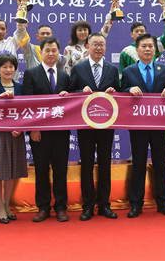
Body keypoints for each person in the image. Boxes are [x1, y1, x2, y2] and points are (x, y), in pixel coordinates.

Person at [121, 33, 165, 218]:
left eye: (150, 46)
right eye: (143, 46)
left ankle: (163, 202)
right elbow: (121, 93)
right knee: (138, 164)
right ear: (137, 50)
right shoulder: (128, 71)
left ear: (155, 49)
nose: (147, 49)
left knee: (160, 164)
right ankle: (136, 204)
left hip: (160, 125)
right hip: (138, 127)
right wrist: (129, 89)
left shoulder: (163, 69)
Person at [68, 32, 120, 221]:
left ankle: (104, 205)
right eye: (95, 44)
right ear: (88, 47)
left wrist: (115, 91)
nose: (98, 48)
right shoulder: (78, 68)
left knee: (105, 164)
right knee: (87, 165)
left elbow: (120, 95)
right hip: (85, 125)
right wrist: (80, 91)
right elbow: (71, 92)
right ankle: (88, 206)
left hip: (107, 125)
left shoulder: (112, 70)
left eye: (102, 45)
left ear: (105, 47)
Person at [22, 37, 71, 222]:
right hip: (39, 133)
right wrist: (33, 129)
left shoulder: (65, 76)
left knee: (61, 170)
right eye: (47, 50)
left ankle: (61, 206)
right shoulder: (31, 73)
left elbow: (70, 105)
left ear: (58, 53)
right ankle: (43, 207)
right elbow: (28, 103)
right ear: (41, 52)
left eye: (54, 50)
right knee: (41, 170)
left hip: (61, 133)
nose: (51, 53)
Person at [0, 53, 28, 224]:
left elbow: (27, 111)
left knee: (12, 172)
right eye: (4, 67)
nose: (8, 70)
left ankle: (6, 204)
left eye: (11, 67)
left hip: (16, 134)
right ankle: (0, 207)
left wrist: (21, 128)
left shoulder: (20, 87)